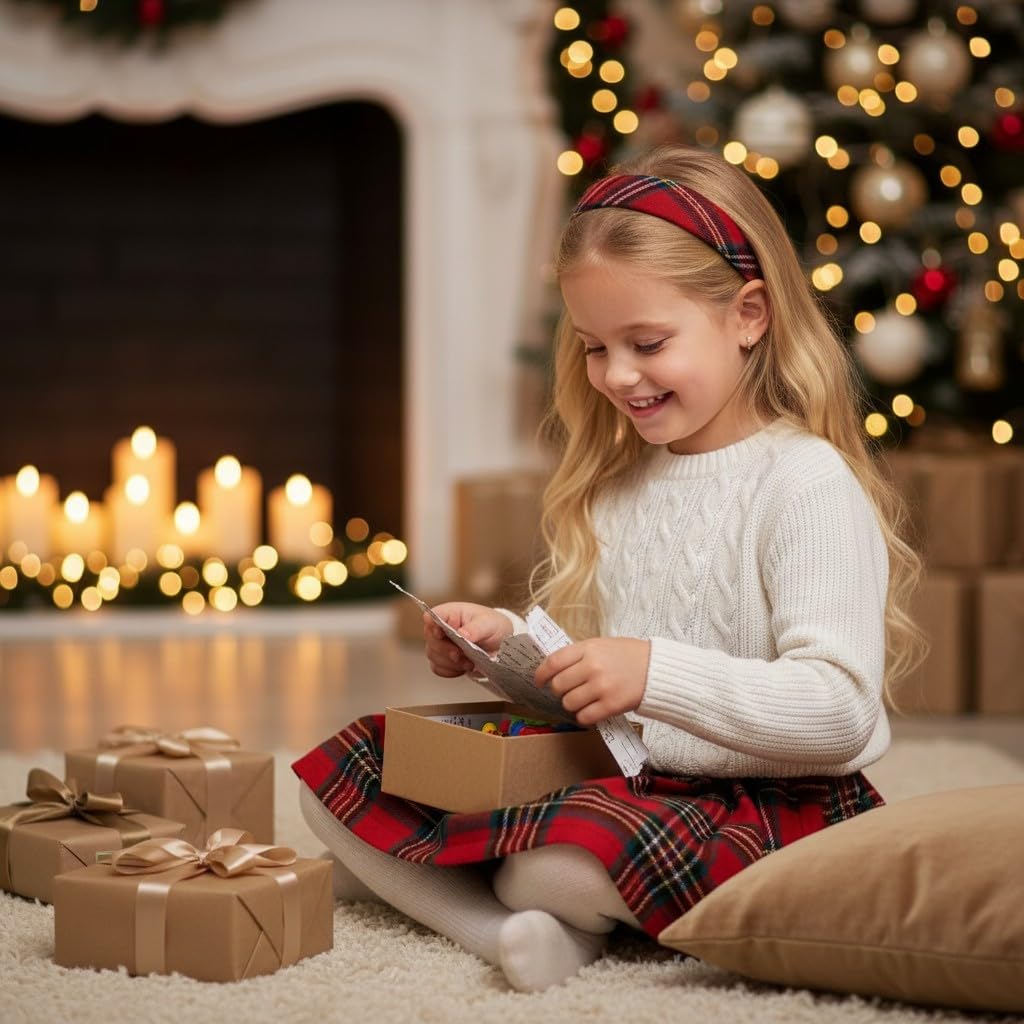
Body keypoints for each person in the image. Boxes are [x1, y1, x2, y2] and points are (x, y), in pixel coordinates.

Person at [294, 144, 924, 993]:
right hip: (621, 777)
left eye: (647, 343)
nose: (618, 376)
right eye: (594, 347)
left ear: (748, 315)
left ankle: (479, 896)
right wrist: (509, 646)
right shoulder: (623, 482)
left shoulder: (804, 482)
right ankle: (504, 932)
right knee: (342, 778)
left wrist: (654, 674)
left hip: (766, 807)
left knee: (553, 866)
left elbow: (840, 710)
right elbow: (602, 686)